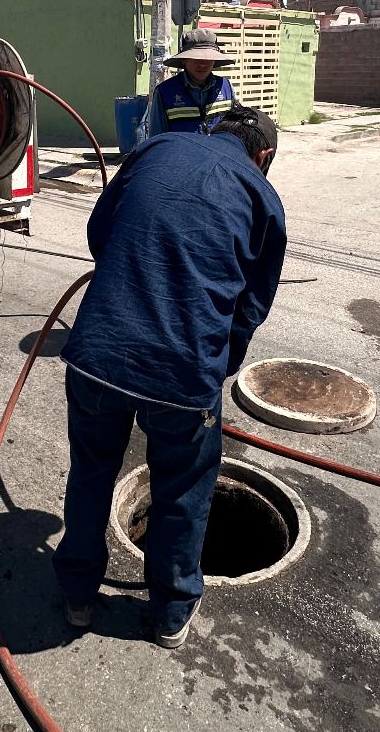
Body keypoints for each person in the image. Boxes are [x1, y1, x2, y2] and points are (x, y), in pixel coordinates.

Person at [52, 105, 286, 647]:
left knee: (91, 473)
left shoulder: (155, 148)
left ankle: (77, 596)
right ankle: (170, 613)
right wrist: (214, 372)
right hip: (184, 373)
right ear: (264, 155)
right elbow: (250, 308)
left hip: (97, 354)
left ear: (212, 131)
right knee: (182, 489)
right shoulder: (263, 196)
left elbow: (100, 232)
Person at [142, 29, 237, 138]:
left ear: (214, 60)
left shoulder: (226, 88)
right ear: (184, 60)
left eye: (208, 59)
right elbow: (157, 138)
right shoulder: (165, 92)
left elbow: (235, 130)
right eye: (196, 58)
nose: (202, 65)